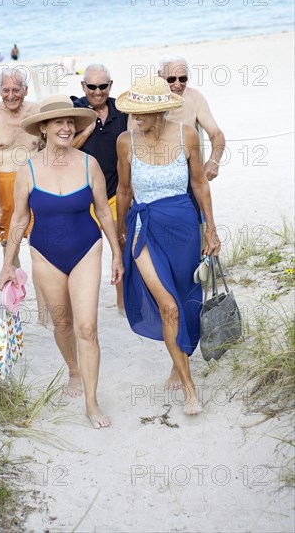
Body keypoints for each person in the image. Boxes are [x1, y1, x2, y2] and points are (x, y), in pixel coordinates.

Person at [0, 95, 124, 429]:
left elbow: (104, 215)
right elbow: (20, 221)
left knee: (87, 327)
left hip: (86, 249)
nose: (66, 128)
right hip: (45, 254)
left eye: (71, 123)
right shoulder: (28, 171)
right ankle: (73, 370)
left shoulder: (88, 164)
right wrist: (8, 264)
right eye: (59, 123)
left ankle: (92, 403)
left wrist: (117, 254)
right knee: (63, 324)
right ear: (44, 128)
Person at [115, 76, 221, 415]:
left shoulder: (186, 134)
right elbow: (123, 192)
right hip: (143, 228)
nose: (134, 117)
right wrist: (119, 235)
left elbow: (199, 183)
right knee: (168, 307)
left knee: (188, 301)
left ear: (160, 110)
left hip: (184, 227)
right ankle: (191, 389)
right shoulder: (125, 141)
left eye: (140, 112)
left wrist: (211, 230)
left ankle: (178, 364)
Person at [71, 64, 128, 314]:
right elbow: (63, 150)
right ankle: (83, 306)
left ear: (110, 86)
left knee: (122, 247)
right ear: (83, 87)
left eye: (102, 86)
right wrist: (87, 129)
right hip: (83, 199)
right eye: (92, 86)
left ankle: (122, 302)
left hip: (115, 194)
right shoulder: (74, 111)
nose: (97, 91)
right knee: (84, 256)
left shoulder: (121, 110)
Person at [0, 67, 39, 267]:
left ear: (26, 90)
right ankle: (14, 293)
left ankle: (46, 294)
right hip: (3, 185)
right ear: (0, 90)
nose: (11, 96)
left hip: (34, 183)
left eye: (16, 90)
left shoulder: (36, 112)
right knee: (8, 244)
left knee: (39, 242)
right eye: (6, 90)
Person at [158, 55, 225, 226]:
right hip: (158, 178)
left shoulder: (194, 98)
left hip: (191, 177)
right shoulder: (149, 101)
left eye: (183, 79)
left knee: (197, 229)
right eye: (171, 79)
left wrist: (214, 161)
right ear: (160, 76)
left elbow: (216, 133)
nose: (177, 84)